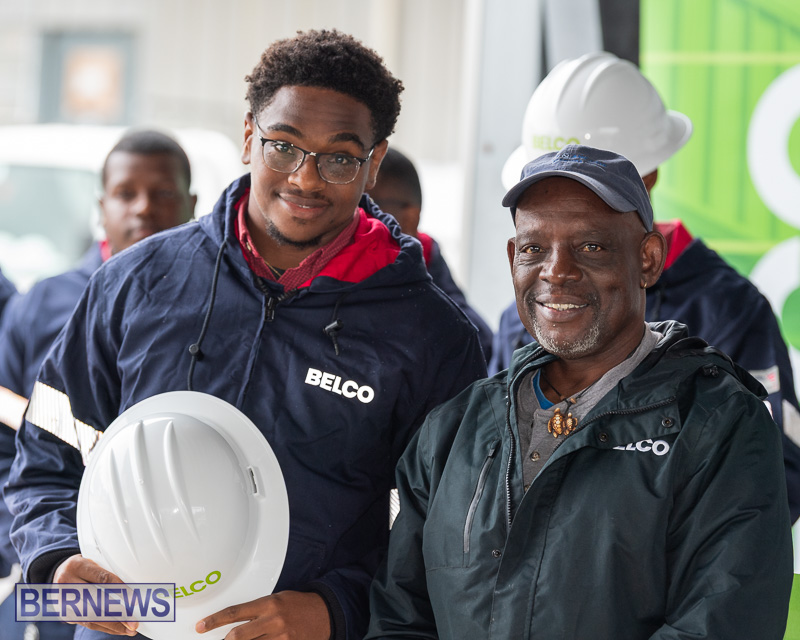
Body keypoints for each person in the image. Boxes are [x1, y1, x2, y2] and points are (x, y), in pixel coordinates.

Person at [5, 29, 487, 640]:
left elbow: (447, 536)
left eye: (339, 157)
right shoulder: (133, 284)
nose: (306, 180)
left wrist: (338, 610)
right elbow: (47, 450)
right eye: (282, 146)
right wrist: (55, 565)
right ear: (247, 137)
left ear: (374, 163)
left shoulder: (431, 336)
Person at [366, 145, 793, 639]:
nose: (557, 270)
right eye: (533, 248)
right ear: (513, 259)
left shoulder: (720, 426)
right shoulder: (453, 429)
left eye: (591, 247)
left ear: (648, 259)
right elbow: (399, 619)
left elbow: (724, 623)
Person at [490, 51, 800, 521]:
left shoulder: (726, 310)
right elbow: (488, 464)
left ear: (647, 177)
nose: (558, 270)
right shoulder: (524, 315)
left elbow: (777, 473)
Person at [0, 128, 196, 639]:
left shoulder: (212, 313)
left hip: (165, 567)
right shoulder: (40, 306)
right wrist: (29, 545)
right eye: (126, 193)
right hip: (55, 560)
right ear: (100, 206)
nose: (143, 209)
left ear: (193, 205)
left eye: (164, 193)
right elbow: (8, 433)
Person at [367, 147, 493, 361]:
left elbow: (481, 346)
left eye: (368, 206)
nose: (352, 221)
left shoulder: (429, 276)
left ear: (409, 219)